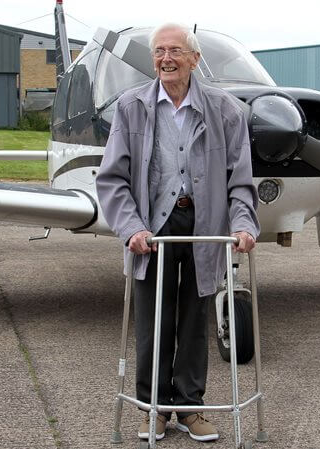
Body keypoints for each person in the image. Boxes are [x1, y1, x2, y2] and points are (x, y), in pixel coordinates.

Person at [95, 23, 259, 443]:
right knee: (153, 321)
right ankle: (154, 408)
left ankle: (190, 407)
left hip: (204, 226)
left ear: (194, 59)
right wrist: (130, 227)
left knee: (194, 320)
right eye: (160, 51)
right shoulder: (131, 107)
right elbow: (112, 179)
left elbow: (240, 179)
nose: (166, 58)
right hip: (153, 227)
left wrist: (242, 223)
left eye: (176, 51)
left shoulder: (226, 111)